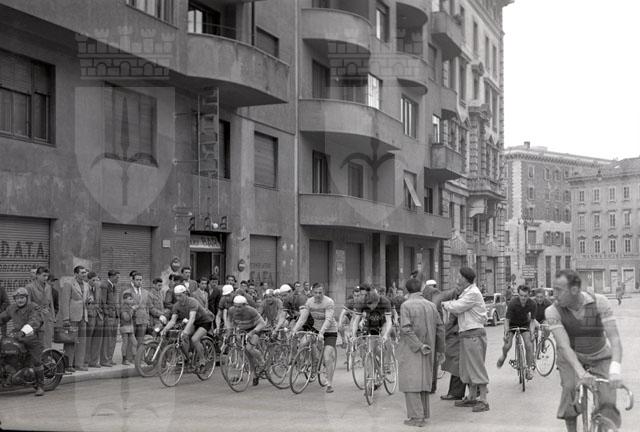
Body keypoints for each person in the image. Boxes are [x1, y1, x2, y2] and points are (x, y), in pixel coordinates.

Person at [546, 270, 624, 431]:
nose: (555, 295)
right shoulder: (552, 311)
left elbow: (615, 339)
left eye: (559, 290)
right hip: (571, 357)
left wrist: (615, 370)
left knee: (608, 402)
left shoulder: (600, 302)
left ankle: (603, 426)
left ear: (574, 290)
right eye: (554, 289)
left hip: (600, 355)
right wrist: (581, 373)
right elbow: (564, 346)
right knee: (569, 389)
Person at [397, 278, 445, 427]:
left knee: (410, 382)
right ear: (421, 289)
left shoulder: (406, 305)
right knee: (423, 382)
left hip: (413, 348)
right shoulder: (431, 305)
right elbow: (440, 328)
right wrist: (440, 350)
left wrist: (419, 345)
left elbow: (406, 329)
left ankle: (417, 417)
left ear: (407, 290)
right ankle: (423, 414)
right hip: (430, 348)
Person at [442, 267, 490, 412]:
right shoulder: (467, 292)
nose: (457, 279)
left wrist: (444, 304)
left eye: (459, 276)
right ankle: (471, 397)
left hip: (474, 334)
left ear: (464, 278)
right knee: (468, 368)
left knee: (476, 367)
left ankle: (483, 400)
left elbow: (458, 307)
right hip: (466, 335)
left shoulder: (473, 293)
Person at [292, 283, 338, 393]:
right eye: (316, 292)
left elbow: (328, 319)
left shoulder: (329, 302)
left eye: (320, 293)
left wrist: (322, 332)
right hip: (316, 328)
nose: (318, 295)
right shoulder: (309, 302)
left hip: (330, 330)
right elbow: (303, 318)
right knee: (303, 343)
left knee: (327, 357)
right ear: (312, 292)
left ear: (323, 292)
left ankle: (329, 384)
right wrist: (294, 330)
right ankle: (307, 363)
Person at [0, 288, 46, 396]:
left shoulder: (33, 307)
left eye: (22, 297)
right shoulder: (12, 308)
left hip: (33, 335)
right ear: (14, 299)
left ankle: (40, 386)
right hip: (17, 334)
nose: (20, 300)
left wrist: (23, 331)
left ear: (26, 298)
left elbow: (35, 321)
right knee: (4, 348)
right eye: (17, 298)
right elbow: (2, 317)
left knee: (36, 360)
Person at [162, 285, 214, 371]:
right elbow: (172, 321)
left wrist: (185, 331)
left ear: (185, 293)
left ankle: (202, 360)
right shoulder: (176, 306)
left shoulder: (192, 302)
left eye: (180, 296)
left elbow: (192, 318)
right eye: (176, 296)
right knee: (183, 337)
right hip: (194, 322)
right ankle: (189, 358)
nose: (178, 298)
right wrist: (165, 329)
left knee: (194, 339)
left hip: (204, 321)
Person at [496, 285, 537, 380]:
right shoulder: (513, 303)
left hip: (524, 324)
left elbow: (532, 321)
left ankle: (529, 369)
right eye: (521, 295)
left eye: (525, 296)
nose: (523, 298)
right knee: (507, 345)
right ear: (518, 294)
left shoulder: (532, 304)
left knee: (529, 345)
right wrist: (506, 332)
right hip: (511, 324)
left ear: (529, 295)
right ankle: (503, 356)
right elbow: (506, 320)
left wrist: (532, 333)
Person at [225, 295, 267, 386]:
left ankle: (261, 361)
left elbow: (262, 323)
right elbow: (229, 321)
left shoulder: (251, 310)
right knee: (244, 353)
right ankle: (253, 374)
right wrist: (229, 330)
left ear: (245, 305)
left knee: (249, 348)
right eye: (235, 306)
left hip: (254, 329)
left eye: (239, 307)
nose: (237, 309)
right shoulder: (231, 310)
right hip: (241, 330)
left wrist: (252, 332)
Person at [59, 266, 89, 372]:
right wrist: (66, 318)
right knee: (70, 341)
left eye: (85, 272)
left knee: (82, 341)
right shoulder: (69, 284)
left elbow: (85, 300)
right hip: (72, 317)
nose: (84, 274)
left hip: (83, 317)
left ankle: (79, 364)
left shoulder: (86, 285)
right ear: (76, 274)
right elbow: (65, 302)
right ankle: (68, 365)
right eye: (82, 273)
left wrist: (88, 300)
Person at [25, 266, 55, 348]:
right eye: (44, 275)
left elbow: (51, 302)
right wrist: (37, 307)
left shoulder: (48, 287)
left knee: (47, 341)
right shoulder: (29, 287)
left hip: (47, 316)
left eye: (47, 276)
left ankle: (47, 355)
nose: (46, 278)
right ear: (37, 275)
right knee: (37, 342)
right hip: (35, 317)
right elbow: (27, 303)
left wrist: (53, 316)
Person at [123, 271, 150, 346]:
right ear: (133, 280)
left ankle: (139, 354)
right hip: (132, 320)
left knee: (140, 342)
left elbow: (147, 307)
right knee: (131, 342)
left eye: (140, 280)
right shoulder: (127, 292)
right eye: (137, 280)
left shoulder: (146, 292)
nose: (139, 281)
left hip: (143, 320)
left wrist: (147, 319)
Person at [100, 270, 119, 367]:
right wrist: (107, 313)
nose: (118, 279)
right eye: (117, 277)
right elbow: (103, 302)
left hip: (115, 315)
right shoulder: (105, 286)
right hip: (109, 316)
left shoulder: (114, 286)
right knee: (107, 339)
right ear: (111, 276)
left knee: (113, 339)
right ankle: (104, 360)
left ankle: (110, 358)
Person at [85, 271, 104, 368]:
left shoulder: (98, 289)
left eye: (97, 280)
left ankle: (94, 361)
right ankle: (86, 361)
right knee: (88, 340)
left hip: (98, 316)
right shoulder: (85, 288)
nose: (95, 282)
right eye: (93, 280)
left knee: (97, 340)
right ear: (88, 280)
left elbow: (101, 303)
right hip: (89, 316)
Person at [120, 292, 137, 365]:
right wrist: (132, 310)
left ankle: (134, 358)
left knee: (135, 343)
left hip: (130, 327)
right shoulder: (123, 307)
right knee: (125, 343)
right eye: (130, 299)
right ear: (124, 300)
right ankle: (124, 360)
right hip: (124, 327)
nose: (132, 300)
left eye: (132, 299)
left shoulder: (129, 307)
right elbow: (126, 318)